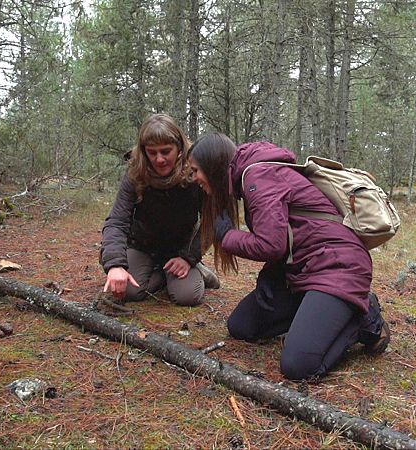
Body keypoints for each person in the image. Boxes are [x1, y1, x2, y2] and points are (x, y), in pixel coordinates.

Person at [188, 133, 390, 380]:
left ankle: (364, 319)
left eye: (196, 170)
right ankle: (316, 316)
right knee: (242, 326)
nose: (194, 177)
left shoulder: (257, 177)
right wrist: (269, 277)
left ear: (213, 165)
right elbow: (288, 237)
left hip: (338, 268)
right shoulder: (252, 176)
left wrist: (228, 237)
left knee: (298, 366)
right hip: (304, 272)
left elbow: (270, 244)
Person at [100, 114, 220, 306]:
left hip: (180, 249)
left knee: (187, 296)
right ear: (143, 151)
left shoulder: (194, 172)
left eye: (166, 151)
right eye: (152, 152)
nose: (159, 159)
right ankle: (160, 274)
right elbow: (116, 221)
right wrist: (115, 264)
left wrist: (188, 257)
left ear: (179, 148)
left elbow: (213, 220)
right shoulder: (135, 173)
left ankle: (193, 271)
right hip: (142, 245)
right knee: (128, 292)